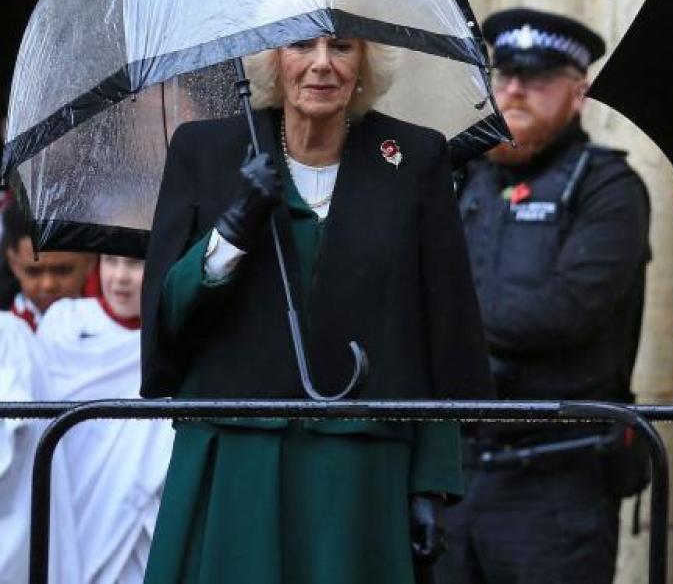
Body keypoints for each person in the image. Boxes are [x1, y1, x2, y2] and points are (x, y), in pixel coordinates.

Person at [140, 35, 494, 583]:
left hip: (360, 463)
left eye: (343, 48)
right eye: (301, 45)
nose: (322, 64)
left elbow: (440, 327)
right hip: (237, 456)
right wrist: (235, 225)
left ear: (365, 65)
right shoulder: (205, 149)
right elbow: (170, 318)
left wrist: (432, 480)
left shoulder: (416, 157)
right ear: (271, 61)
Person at [438, 8, 651, 583]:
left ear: (577, 92)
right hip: (454, 474)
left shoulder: (606, 186)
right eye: (503, 75)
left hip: (555, 483)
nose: (512, 90)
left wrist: (443, 313)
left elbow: (565, 313)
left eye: (534, 80)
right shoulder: (461, 178)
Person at [38, 254, 174, 584]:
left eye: (135, 263)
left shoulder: (172, 344)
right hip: (65, 490)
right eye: (111, 261)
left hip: (136, 521)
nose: (120, 277)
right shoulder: (64, 322)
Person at [0, 203, 93, 584]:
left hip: (93, 506)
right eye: (35, 271)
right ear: (12, 260)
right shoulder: (6, 336)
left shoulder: (107, 339)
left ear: (90, 259)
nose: (49, 284)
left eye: (62, 269)